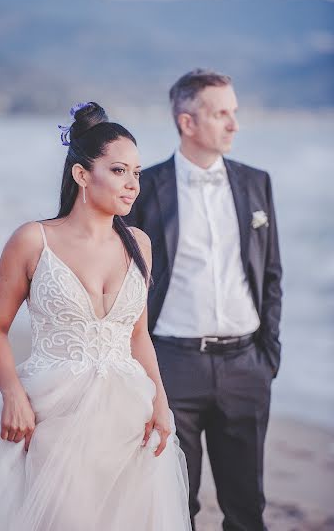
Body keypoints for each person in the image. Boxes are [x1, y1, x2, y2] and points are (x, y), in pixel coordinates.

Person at [0, 102, 191, 531]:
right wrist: (13, 394)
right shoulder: (32, 240)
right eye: (119, 171)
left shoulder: (139, 244)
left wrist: (161, 405)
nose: (133, 185)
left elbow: (138, 336)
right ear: (81, 175)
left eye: (137, 173)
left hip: (128, 415)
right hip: (51, 412)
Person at [125, 69, 282, 531]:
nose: (234, 124)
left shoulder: (257, 182)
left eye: (234, 113)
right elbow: (125, 279)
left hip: (246, 366)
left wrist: (267, 356)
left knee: (247, 508)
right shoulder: (145, 188)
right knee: (176, 503)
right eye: (221, 114)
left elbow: (271, 273)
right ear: (187, 122)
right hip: (173, 365)